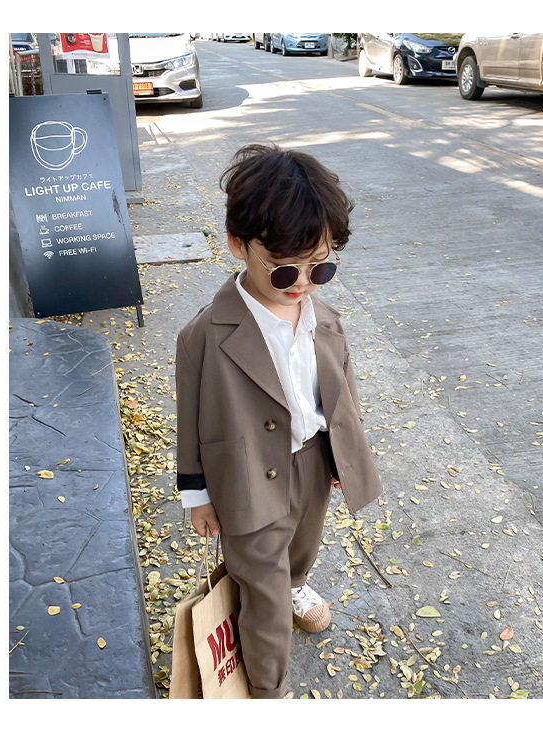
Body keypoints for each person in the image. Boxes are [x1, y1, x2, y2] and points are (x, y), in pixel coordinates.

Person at [175, 143, 382, 699]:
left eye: (322, 267)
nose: (301, 281)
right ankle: (267, 690)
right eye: (285, 267)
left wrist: (342, 455)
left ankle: (292, 583)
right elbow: (190, 418)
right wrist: (197, 496)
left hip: (311, 459)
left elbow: (340, 390)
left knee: (302, 545)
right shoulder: (205, 335)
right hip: (245, 477)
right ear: (238, 244)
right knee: (260, 596)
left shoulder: (323, 318)